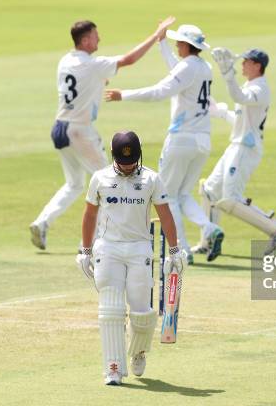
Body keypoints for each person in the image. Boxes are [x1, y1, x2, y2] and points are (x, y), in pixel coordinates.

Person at [29, 17, 175, 250]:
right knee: (109, 181)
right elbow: (129, 59)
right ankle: (89, 241)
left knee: (74, 184)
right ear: (85, 40)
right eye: (96, 36)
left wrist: (99, 83)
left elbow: (83, 84)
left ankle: (42, 222)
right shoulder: (92, 64)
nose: (100, 39)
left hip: (59, 128)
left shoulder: (66, 61)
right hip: (80, 131)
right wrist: (156, 35)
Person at [105, 24, 225, 263]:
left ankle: (182, 250)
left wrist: (124, 95)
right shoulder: (203, 67)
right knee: (182, 194)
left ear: (186, 45)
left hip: (182, 139)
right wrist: (161, 43)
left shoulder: (189, 67)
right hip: (202, 141)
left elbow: (160, 91)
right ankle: (209, 228)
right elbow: (177, 73)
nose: (176, 46)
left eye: (178, 42)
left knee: (168, 196)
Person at [75, 131, 187, 385]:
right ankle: (113, 368)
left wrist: (174, 250)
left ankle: (138, 351)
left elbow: (166, 214)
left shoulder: (151, 179)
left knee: (141, 313)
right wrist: (85, 250)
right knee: (111, 310)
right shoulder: (100, 178)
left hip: (139, 249)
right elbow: (90, 215)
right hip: (108, 249)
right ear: (114, 156)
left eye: (132, 161)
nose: (128, 166)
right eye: (123, 161)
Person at [193, 48, 276, 256]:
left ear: (257, 66)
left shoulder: (260, 88)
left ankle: (275, 228)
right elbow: (241, 120)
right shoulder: (250, 85)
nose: (242, 64)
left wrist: (228, 74)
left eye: (246, 61)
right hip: (236, 145)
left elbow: (238, 95)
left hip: (246, 149)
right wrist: (220, 112)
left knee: (230, 199)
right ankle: (207, 241)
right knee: (209, 190)